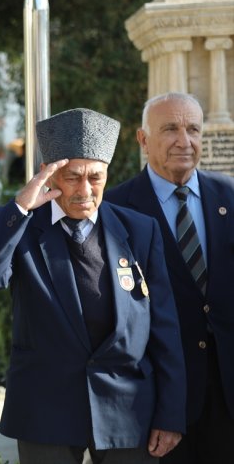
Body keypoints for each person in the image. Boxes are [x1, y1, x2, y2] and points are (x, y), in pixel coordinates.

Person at [0, 108, 186, 463]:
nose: (85, 190)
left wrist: (171, 414)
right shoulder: (20, 225)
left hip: (127, 408)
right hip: (45, 409)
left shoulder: (139, 229)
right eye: (72, 177)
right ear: (49, 176)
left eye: (95, 178)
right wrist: (21, 206)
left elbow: (165, 326)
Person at [105, 92, 234, 464]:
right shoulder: (115, 209)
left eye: (193, 129)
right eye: (170, 129)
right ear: (143, 139)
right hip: (159, 402)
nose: (184, 140)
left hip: (228, 394)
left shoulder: (228, 195)